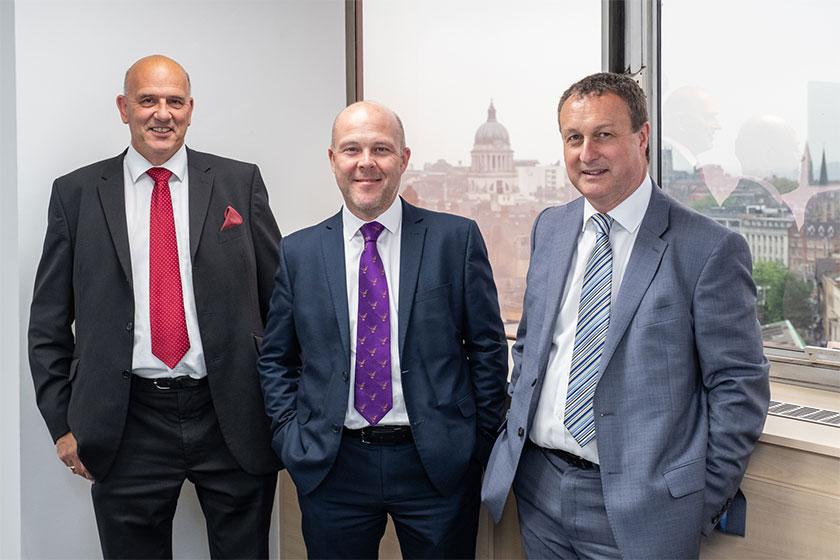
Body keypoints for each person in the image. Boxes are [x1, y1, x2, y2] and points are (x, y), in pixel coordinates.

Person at [481, 72, 770, 559]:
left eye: (604, 135)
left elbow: (739, 387)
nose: (586, 153)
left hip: (641, 511)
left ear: (643, 136)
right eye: (574, 138)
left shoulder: (708, 249)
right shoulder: (551, 228)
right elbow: (531, 346)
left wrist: (696, 501)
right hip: (539, 489)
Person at [28, 54, 281, 559]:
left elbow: (279, 307)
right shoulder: (76, 194)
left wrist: (285, 409)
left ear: (190, 109)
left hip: (231, 411)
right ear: (124, 108)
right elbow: (49, 323)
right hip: (126, 421)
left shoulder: (239, 183)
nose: (161, 113)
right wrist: (62, 424)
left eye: (174, 101)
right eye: (147, 100)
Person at [258, 100, 508, 559]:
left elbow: (488, 348)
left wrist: (477, 443)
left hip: (435, 464)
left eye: (381, 149)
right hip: (333, 465)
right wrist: (291, 436)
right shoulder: (300, 253)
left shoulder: (456, 239)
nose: (366, 162)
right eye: (351, 149)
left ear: (404, 159)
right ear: (333, 160)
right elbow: (278, 357)